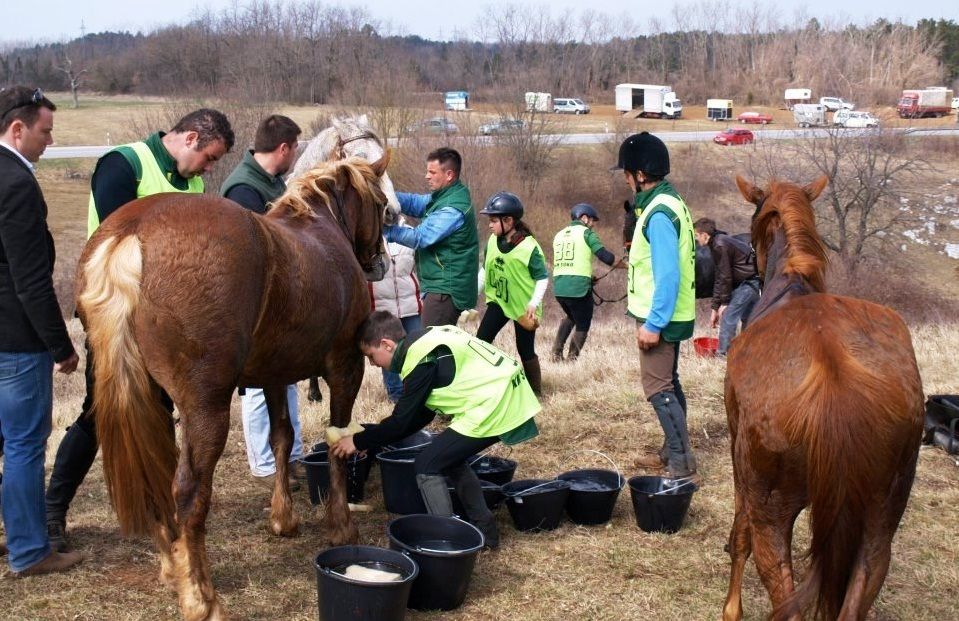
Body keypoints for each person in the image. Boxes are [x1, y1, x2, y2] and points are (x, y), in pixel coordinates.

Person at [45, 108, 234, 551]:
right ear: (189, 138)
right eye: (208, 157)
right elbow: (117, 238)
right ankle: (52, 509)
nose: (209, 169)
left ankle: (161, 504)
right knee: (99, 410)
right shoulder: (124, 163)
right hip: (114, 311)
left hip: (168, 319)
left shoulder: (194, 184)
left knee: (164, 404)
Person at [330, 310, 541, 549]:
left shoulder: (419, 359)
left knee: (427, 464)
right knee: (448, 459)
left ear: (386, 344)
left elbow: (402, 422)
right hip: (503, 391)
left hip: (497, 401)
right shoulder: (425, 340)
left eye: (371, 356)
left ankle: (447, 542)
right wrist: (368, 438)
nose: (372, 363)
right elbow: (420, 414)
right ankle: (486, 532)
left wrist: (358, 441)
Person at [0, 86, 83, 576]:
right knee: (25, 444)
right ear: (18, 129)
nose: (49, 141)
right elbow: (31, 281)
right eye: (45, 131)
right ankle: (31, 550)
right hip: (16, 339)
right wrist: (60, 345)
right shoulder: (16, 184)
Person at [220, 114, 305, 489]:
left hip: (279, 302)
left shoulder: (272, 182)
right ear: (283, 148)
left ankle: (293, 455)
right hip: (255, 307)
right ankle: (265, 465)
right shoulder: (243, 189)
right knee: (257, 386)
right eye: (295, 149)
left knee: (285, 381)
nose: (296, 156)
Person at [615, 132, 697, 478]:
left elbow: (667, 276)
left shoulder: (660, 214)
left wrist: (653, 323)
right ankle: (672, 451)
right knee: (670, 382)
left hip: (660, 316)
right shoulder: (669, 203)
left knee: (658, 389)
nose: (625, 178)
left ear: (640, 175)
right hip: (669, 314)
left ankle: (682, 462)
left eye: (627, 172)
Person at [386, 147, 479, 327]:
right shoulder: (446, 197)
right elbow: (415, 203)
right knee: (440, 347)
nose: (427, 176)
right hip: (441, 287)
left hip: (445, 290)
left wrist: (386, 231)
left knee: (432, 347)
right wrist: (387, 196)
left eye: (432, 172)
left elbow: (420, 237)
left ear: (449, 174)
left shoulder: (452, 208)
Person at [475, 192, 549, 395]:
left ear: (508, 221)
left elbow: (542, 278)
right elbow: (485, 271)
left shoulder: (529, 247)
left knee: (525, 350)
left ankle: (536, 393)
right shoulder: (492, 241)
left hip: (523, 307)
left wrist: (533, 303)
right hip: (499, 301)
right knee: (481, 342)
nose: (489, 225)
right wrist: (472, 296)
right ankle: (483, 386)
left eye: (493, 220)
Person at [551, 203, 619, 362]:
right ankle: (571, 359)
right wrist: (627, 266)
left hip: (559, 287)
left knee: (570, 316)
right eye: (592, 220)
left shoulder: (559, 235)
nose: (593, 224)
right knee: (583, 323)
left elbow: (571, 261)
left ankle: (556, 354)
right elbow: (605, 257)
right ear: (584, 218)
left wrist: (588, 277)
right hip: (578, 289)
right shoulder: (587, 233)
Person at [369, 218, 423, 402]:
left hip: (411, 305)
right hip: (382, 306)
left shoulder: (409, 232)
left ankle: (419, 389)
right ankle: (396, 394)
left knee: (418, 348)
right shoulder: (368, 232)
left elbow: (420, 267)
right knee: (387, 351)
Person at [693, 218, 760, 356]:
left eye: (697, 236)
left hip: (749, 282)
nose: (697, 240)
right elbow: (719, 277)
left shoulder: (719, 244)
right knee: (749, 317)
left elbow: (725, 276)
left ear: (705, 235)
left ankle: (722, 356)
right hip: (749, 281)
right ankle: (748, 352)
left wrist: (724, 303)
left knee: (729, 316)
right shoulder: (717, 243)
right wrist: (714, 308)